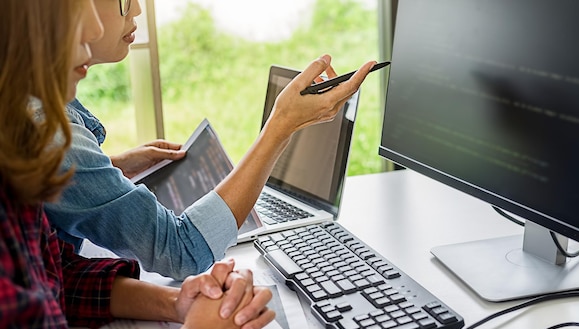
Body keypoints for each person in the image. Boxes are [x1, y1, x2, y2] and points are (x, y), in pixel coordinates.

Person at [0, 0, 274, 329]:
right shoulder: (45, 136)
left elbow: (56, 274)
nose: (93, 28)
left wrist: (176, 304)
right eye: (78, 7)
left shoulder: (15, 154)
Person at [44, 0, 377, 280]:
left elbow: (62, 174)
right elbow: (181, 251)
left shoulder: (44, 120)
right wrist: (282, 126)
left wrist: (110, 167)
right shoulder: (52, 135)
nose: (137, 13)